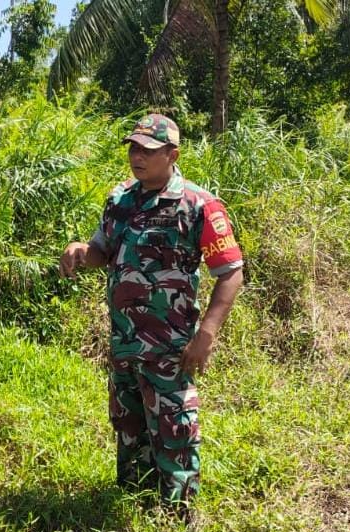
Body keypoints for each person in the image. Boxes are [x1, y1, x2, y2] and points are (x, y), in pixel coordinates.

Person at [59, 113, 244, 506]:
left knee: (174, 425)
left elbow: (230, 273)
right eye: (133, 147)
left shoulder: (198, 205)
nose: (136, 156)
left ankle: (177, 511)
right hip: (124, 340)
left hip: (169, 344)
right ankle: (133, 500)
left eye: (148, 150)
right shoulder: (120, 199)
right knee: (128, 423)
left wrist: (205, 337)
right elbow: (101, 253)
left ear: (172, 154)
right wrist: (80, 251)